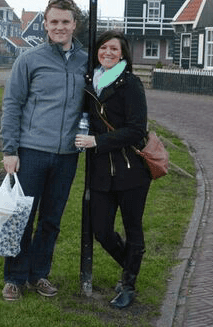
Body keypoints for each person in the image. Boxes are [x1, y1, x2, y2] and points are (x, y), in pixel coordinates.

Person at [0, 0, 88, 302]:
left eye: (65, 22)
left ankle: (39, 274)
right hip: (32, 151)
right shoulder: (30, 60)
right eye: (54, 22)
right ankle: (14, 277)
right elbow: (12, 105)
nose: (60, 27)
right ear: (46, 25)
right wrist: (10, 150)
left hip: (67, 156)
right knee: (21, 216)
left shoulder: (84, 62)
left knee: (51, 220)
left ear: (74, 25)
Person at [75, 30, 150, 309]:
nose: (108, 53)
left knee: (133, 229)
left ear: (123, 55)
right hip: (100, 173)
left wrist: (98, 141)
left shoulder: (130, 84)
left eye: (114, 50)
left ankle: (128, 284)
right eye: (103, 48)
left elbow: (136, 130)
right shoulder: (90, 82)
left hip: (131, 170)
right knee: (102, 231)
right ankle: (130, 265)